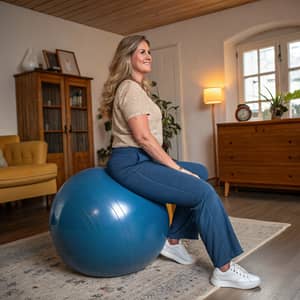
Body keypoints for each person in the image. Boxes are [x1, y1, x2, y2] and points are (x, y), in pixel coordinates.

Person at [100, 35, 261, 290]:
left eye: (149, 51)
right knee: (203, 191)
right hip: (131, 162)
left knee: (200, 171)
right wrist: (176, 168)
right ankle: (225, 268)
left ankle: (172, 241)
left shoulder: (138, 88)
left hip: (141, 158)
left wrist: (181, 169)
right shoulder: (129, 87)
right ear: (128, 57)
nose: (148, 55)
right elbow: (143, 137)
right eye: (141, 51)